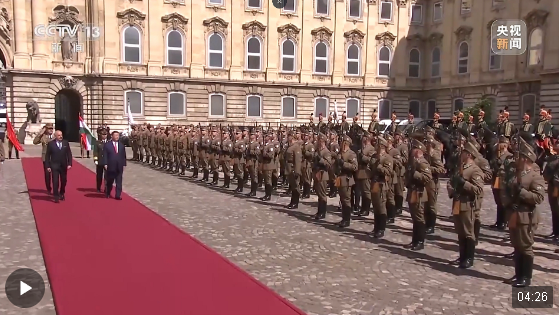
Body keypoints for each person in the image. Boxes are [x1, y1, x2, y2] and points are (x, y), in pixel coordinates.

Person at [44, 130, 73, 203]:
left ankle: (62, 192)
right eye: (59, 135)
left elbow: (69, 154)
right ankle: (56, 195)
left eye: (61, 135)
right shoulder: (51, 144)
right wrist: (48, 166)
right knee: (55, 181)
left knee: (64, 180)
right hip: (54, 165)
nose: (61, 136)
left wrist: (70, 163)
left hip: (63, 165)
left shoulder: (65, 143)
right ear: (55, 136)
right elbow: (47, 156)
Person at [102, 131, 127, 200]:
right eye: (115, 135)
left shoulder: (121, 146)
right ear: (112, 136)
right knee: (110, 181)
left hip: (119, 166)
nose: (117, 137)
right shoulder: (107, 145)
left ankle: (118, 195)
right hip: (110, 166)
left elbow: (123, 156)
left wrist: (124, 164)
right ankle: (108, 192)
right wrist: (105, 163)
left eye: (118, 135)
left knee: (119, 181)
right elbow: (105, 155)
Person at [33, 123, 55, 194]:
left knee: (55, 174)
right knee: (47, 174)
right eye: (49, 128)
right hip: (46, 158)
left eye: (52, 128)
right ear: (46, 129)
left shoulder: (56, 136)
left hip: (55, 157)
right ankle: (48, 188)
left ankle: (55, 188)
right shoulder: (43, 137)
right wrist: (40, 133)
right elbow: (35, 142)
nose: (51, 130)